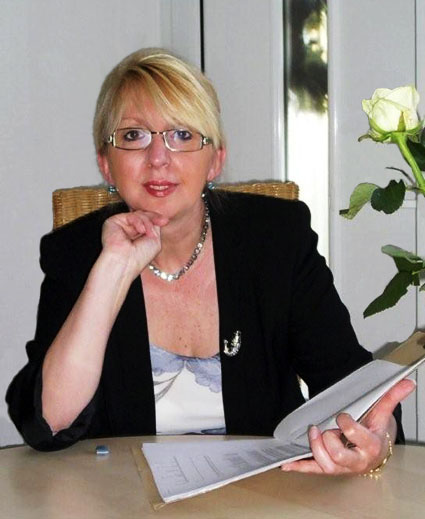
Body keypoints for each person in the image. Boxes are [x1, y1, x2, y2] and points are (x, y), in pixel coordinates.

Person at [6, 48, 414, 476]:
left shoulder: (277, 238)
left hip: (265, 494)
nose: (158, 158)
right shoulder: (76, 253)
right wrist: (112, 271)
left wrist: (377, 441)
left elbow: (351, 385)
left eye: (182, 135)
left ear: (215, 159)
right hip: (121, 498)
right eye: (134, 135)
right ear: (106, 164)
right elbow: (48, 424)